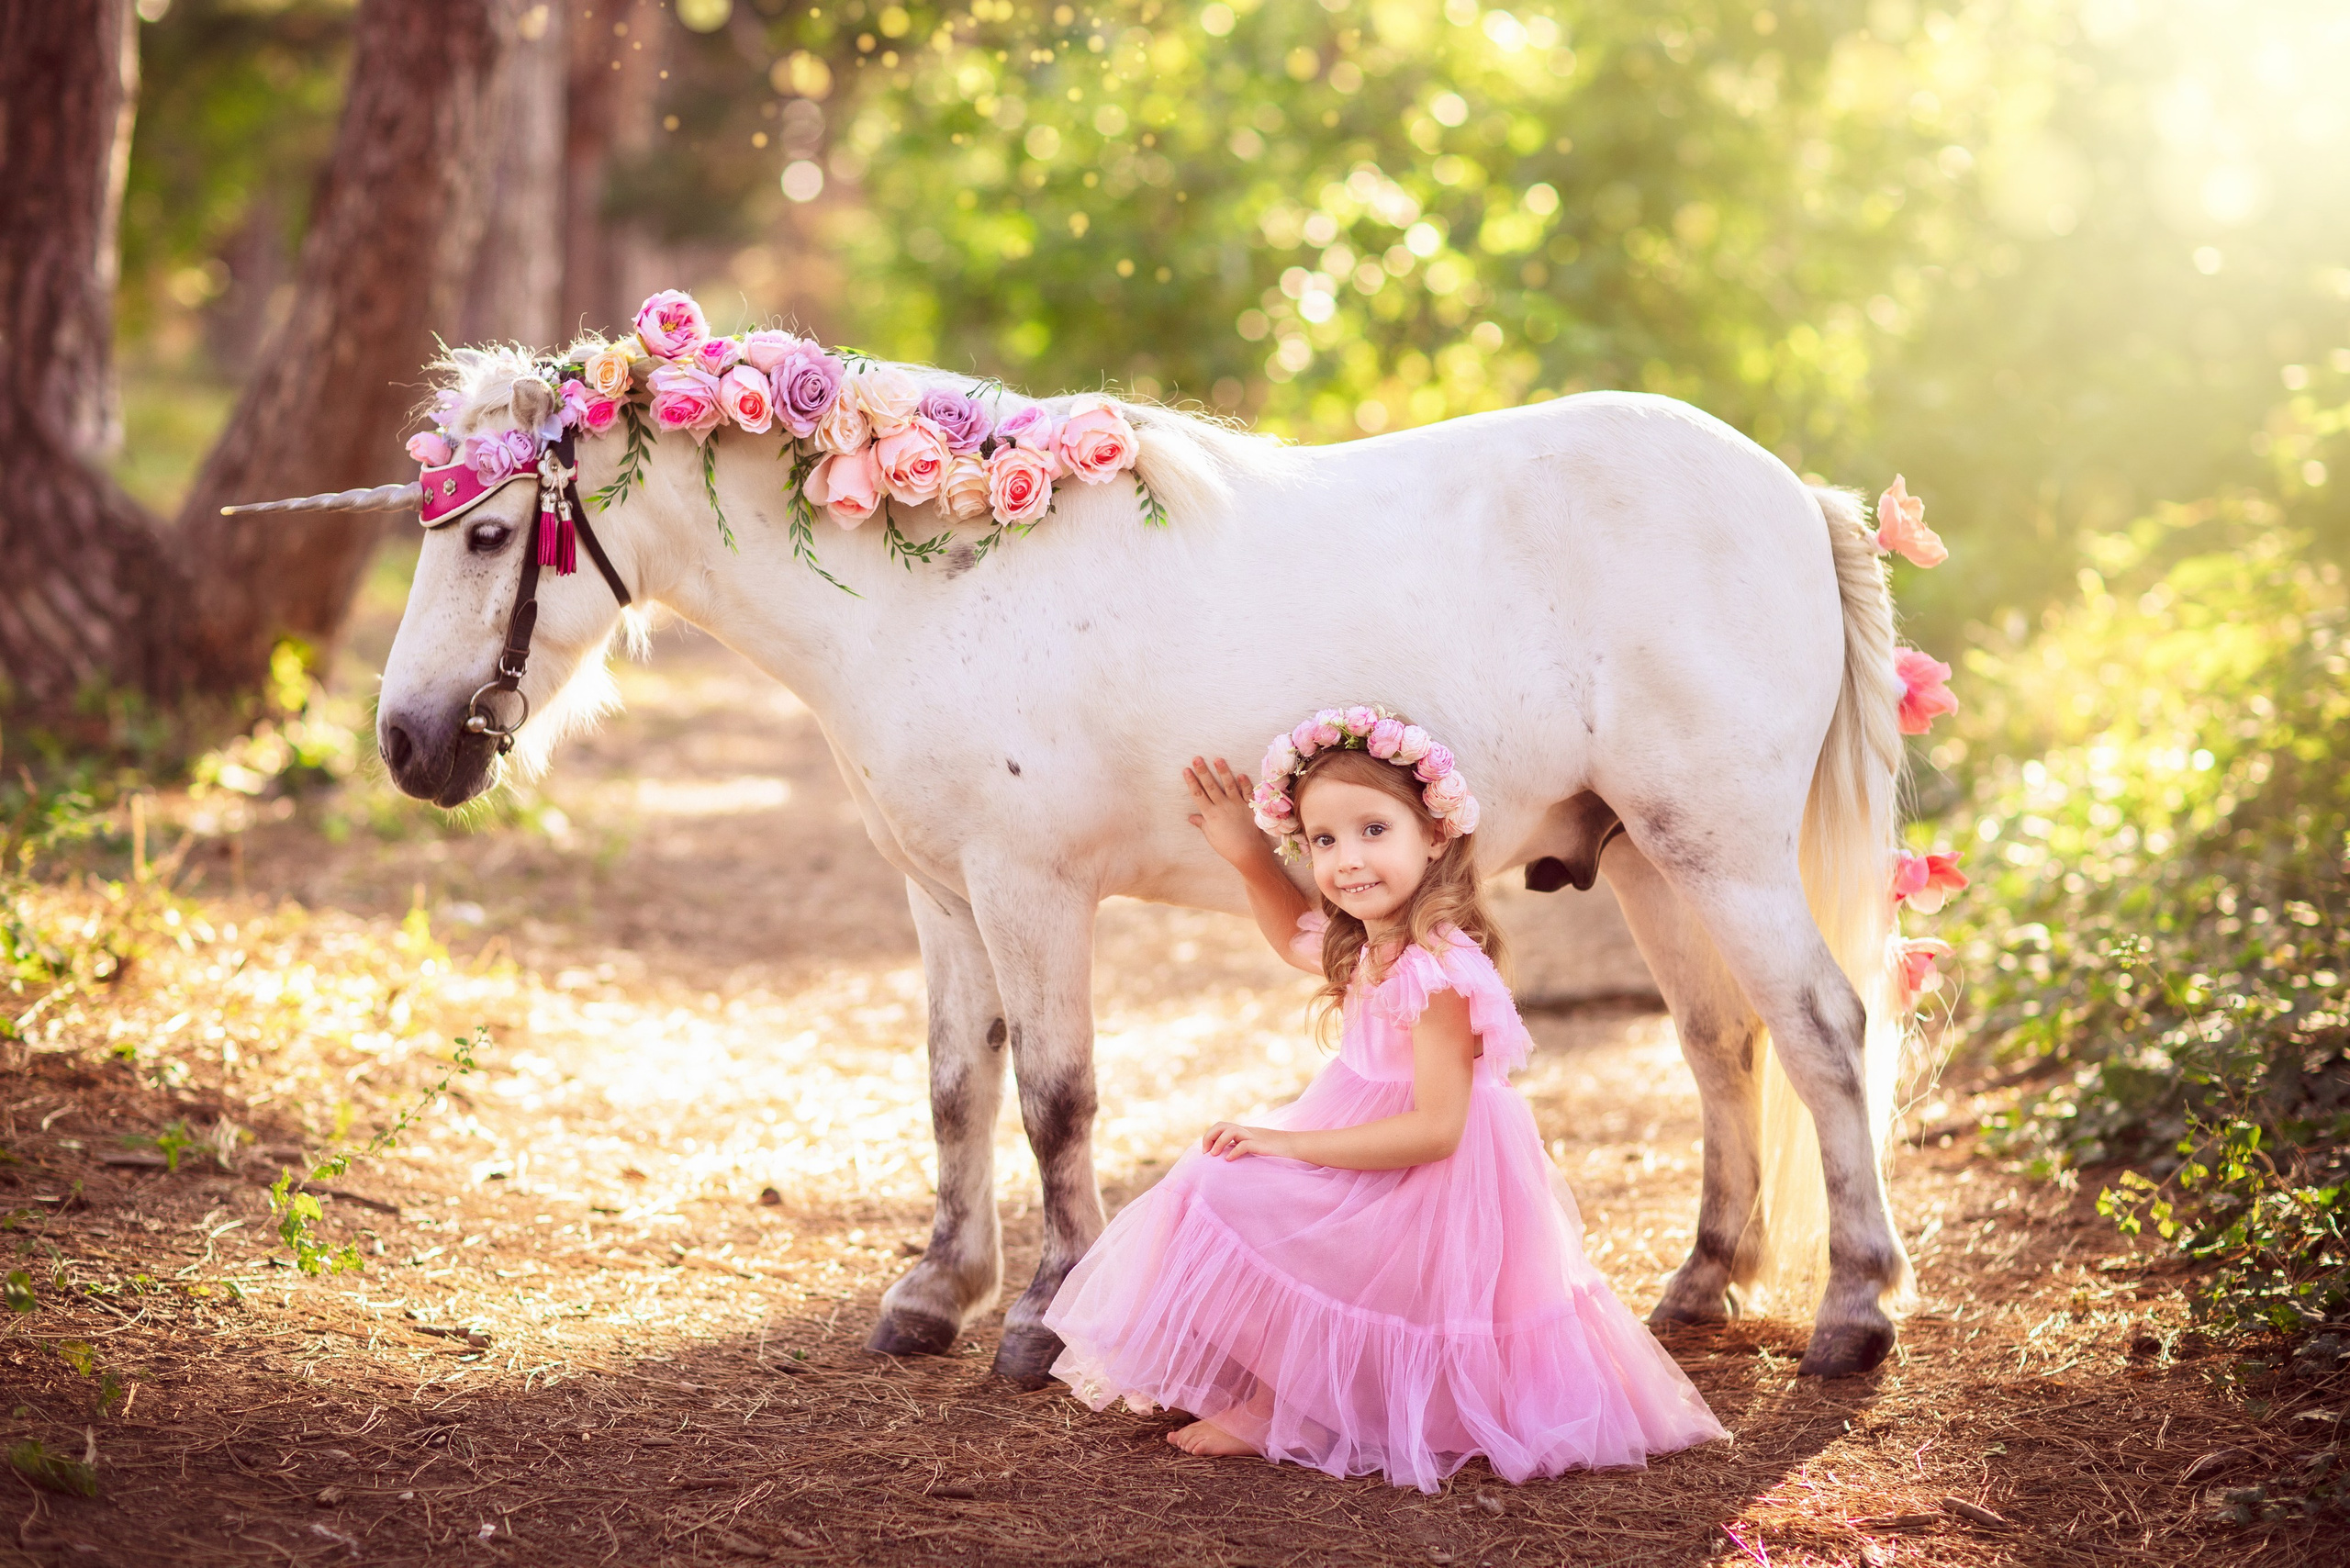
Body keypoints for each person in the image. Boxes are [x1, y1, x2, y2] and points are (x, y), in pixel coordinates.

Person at [1043, 707, 1727, 1492]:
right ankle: (1286, 1392)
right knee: (1215, 1183)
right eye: (1324, 840)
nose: (1346, 860)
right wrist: (1249, 857)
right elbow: (1298, 935)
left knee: (1225, 1187)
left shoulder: (1436, 970)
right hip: (1376, 1147)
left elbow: (1437, 1131)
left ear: (1434, 835)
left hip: (1429, 1188)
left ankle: (1284, 1407)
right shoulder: (1379, 941)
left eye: (1374, 830)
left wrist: (1287, 1143)